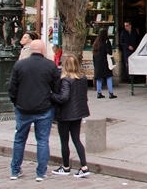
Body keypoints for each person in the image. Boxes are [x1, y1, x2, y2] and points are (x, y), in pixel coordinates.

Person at [8, 39, 60, 182]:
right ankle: (41, 172)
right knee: (42, 140)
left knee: (19, 139)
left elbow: (12, 88)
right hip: (44, 107)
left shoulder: (20, 65)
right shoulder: (50, 66)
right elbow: (57, 88)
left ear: (31, 49)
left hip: (23, 107)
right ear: (43, 50)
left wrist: (16, 102)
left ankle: (15, 170)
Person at [50, 55, 91, 178]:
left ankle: (66, 166)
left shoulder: (66, 79)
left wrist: (51, 96)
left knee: (64, 141)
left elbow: (63, 97)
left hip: (66, 113)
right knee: (76, 139)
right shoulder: (82, 78)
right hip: (78, 112)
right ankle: (84, 166)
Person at [92, 29, 116, 99]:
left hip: (98, 63)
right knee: (109, 77)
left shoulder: (96, 43)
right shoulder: (106, 42)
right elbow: (109, 52)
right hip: (105, 62)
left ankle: (99, 93)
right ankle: (110, 93)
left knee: (99, 78)